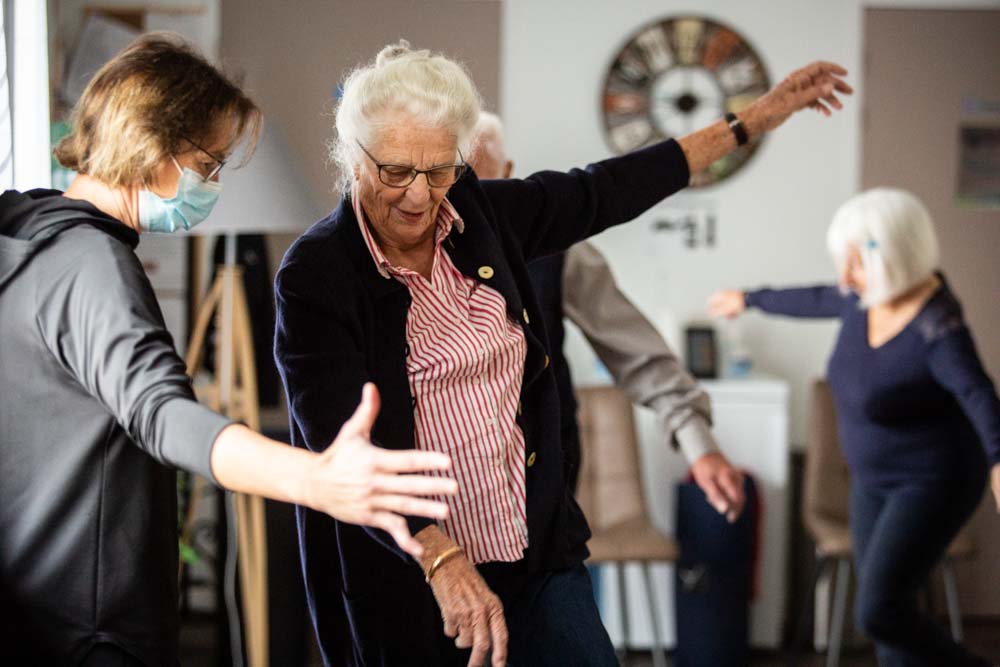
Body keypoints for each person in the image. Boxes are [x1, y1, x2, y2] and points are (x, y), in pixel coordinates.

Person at [274, 39, 850, 667]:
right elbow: (347, 450)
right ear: (352, 159)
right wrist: (438, 556)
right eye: (395, 172)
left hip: (534, 553)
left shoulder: (482, 215)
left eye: (440, 170)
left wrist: (752, 122)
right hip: (411, 575)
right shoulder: (317, 273)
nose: (419, 196)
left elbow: (606, 189)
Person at [0, 34, 458, 667]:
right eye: (208, 164)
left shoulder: (23, 238)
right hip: (90, 628)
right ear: (154, 147)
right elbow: (161, 413)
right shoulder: (92, 265)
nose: (212, 183)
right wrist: (316, 480)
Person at [708, 188, 1000, 667]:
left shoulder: (938, 328)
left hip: (932, 482)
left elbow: (978, 394)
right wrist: (750, 298)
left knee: (880, 610)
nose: (845, 277)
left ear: (898, 258)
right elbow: (816, 297)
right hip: (872, 480)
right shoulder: (861, 301)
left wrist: (998, 460)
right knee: (891, 612)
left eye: (856, 264)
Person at [468, 111, 745, 521]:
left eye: (481, 186)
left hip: (542, 489)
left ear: (508, 174)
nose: (465, 209)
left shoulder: (561, 252)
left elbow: (635, 350)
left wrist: (698, 444)